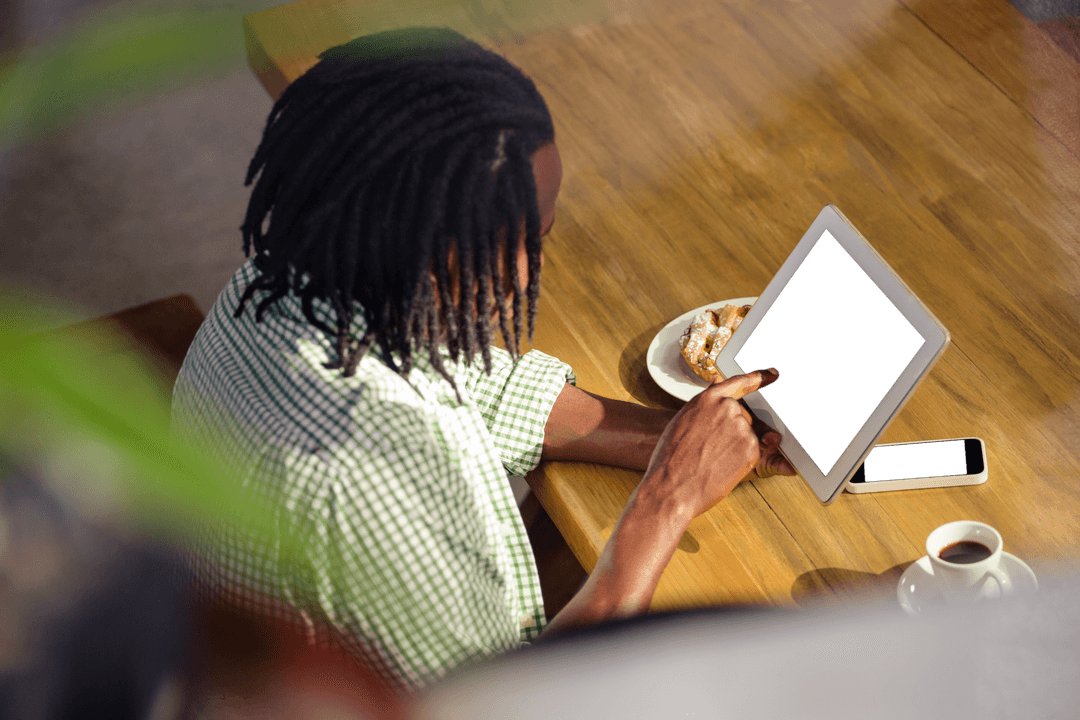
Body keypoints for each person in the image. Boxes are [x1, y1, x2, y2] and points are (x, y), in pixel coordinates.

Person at [171, 26, 794, 693]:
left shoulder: (285, 283)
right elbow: (514, 703)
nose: (536, 265)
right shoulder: (372, 483)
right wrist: (667, 499)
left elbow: (472, 381)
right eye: (523, 239)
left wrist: (675, 441)